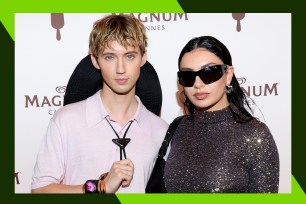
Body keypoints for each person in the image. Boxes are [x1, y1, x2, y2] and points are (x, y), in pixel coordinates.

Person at [31, 14, 168, 193]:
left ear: (143, 58)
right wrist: (99, 187)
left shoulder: (161, 130)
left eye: (129, 56)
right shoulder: (66, 121)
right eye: (110, 57)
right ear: (95, 60)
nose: (120, 69)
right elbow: (39, 190)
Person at [148, 36, 279, 193]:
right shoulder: (178, 128)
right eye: (188, 76)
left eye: (209, 73)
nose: (197, 84)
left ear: (228, 75)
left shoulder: (255, 135)